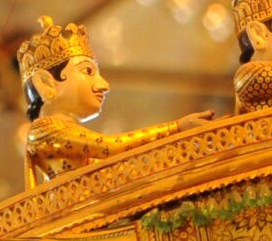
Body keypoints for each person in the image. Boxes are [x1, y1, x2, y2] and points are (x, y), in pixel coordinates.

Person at [15, 16, 209, 188]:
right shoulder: (43, 130)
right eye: (88, 72)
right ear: (46, 84)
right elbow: (111, 147)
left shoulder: (67, 133)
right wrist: (175, 128)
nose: (104, 85)